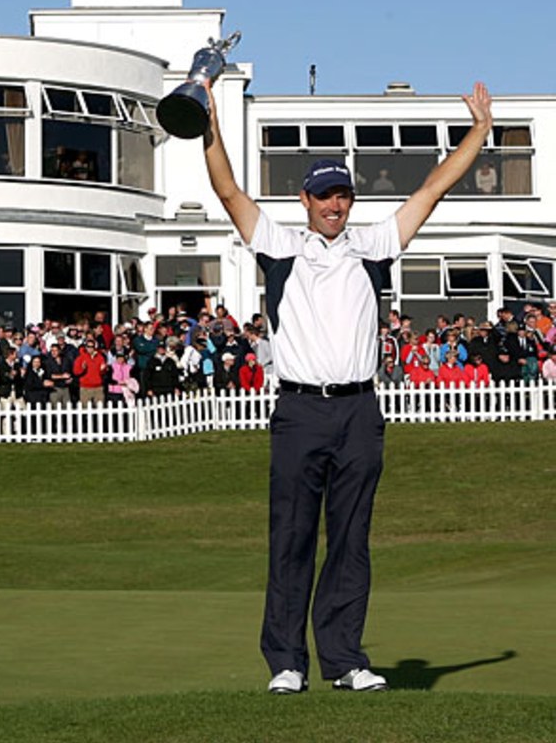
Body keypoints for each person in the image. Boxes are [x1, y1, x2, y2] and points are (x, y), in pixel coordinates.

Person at [201, 77, 492, 695]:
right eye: (324, 195)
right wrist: (209, 122)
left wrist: (480, 132)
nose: (334, 205)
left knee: (352, 539)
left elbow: (433, 188)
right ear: (303, 199)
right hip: (300, 410)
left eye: (342, 195)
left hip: (360, 410)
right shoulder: (280, 244)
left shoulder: (373, 244)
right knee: (293, 538)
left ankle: (343, 659)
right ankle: (286, 661)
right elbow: (226, 189)